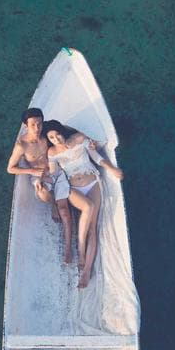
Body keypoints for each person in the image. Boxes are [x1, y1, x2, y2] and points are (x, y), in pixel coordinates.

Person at [42, 120, 123, 288]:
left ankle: (86, 271)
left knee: (92, 227)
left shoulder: (79, 138)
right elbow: (54, 174)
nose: (56, 139)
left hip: (92, 184)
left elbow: (97, 158)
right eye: (51, 138)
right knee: (88, 207)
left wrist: (111, 169)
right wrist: (42, 183)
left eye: (57, 135)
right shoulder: (52, 152)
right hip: (73, 189)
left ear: (62, 131)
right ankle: (80, 250)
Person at [6, 108, 75, 263]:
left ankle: (67, 249)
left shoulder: (45, 131)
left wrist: (84, 138)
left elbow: (62, 129)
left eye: (39, 124)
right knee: (41, 191)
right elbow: (10, 168)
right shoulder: (21, 145)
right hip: (38, 175)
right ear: (25, 126)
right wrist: (31, 170)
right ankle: (53, 204)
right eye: (33, 125)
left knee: (65, 211)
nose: (37, 128)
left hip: (56, 170)